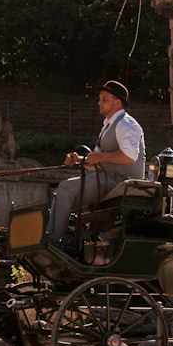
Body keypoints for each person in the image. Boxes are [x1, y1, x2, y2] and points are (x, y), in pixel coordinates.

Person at [46, 81, 146, 248]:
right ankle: (70, 242)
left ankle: (53, 242)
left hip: (122, 182)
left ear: (117, 102)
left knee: (65, 188)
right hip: (107, 179)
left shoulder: (126, 123)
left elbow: (129, 156)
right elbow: (96, 162)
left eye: (104, 99)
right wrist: (79, 160)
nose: (99, 103)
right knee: (62, 194)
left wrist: (99, 157)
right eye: (99, 99)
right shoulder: (106, 127)